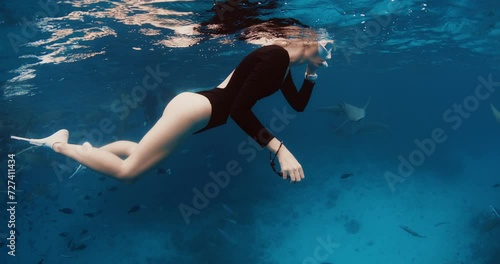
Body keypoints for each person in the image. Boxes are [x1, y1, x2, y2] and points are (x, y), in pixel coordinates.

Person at [11, 39, 334, 183]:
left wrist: (312, 74)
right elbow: (238, 109)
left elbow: (298, 105)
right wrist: (280, 150)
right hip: (197, 108)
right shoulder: (275, 55)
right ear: (308, 40)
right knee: (128, 173)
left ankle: (90, 153)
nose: (328, 53)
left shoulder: (285, 68)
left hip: (200, 113)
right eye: (325, 47)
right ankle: (59, 143)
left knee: (138, 154)